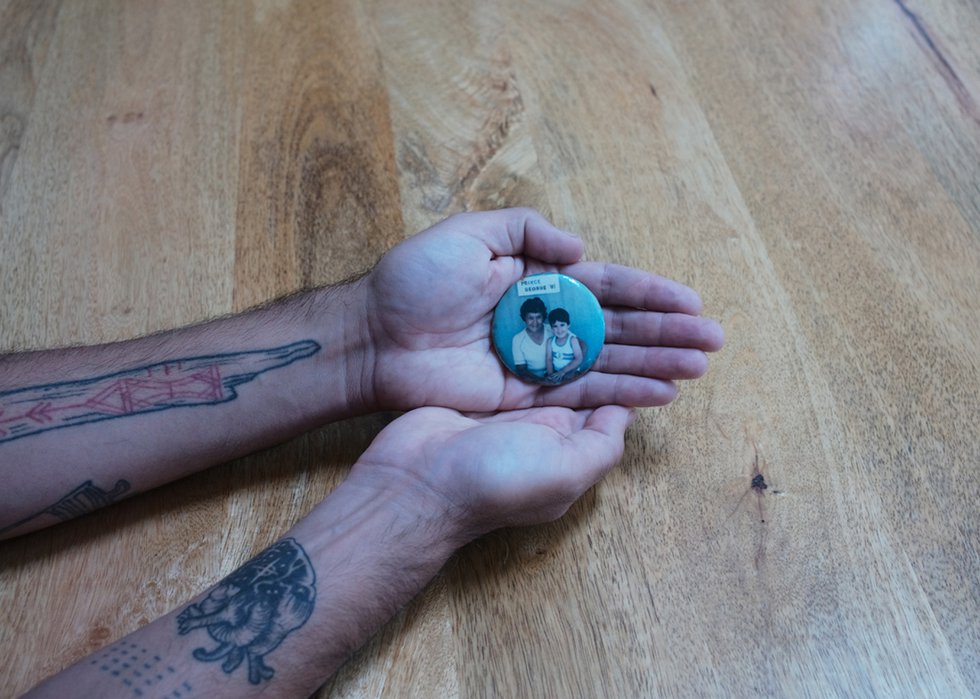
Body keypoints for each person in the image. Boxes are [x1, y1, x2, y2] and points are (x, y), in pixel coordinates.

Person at [1, 208, 724, 697]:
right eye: (532, 316)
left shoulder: (554, 340)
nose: (537, 322)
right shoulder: (536, 340)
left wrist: (364, 337)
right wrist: (420, 507)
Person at [511, 296, 550, 380]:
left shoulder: (553, 330)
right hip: (532, 379)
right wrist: (542, 381)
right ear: (524, 318)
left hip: (556, 375)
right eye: (531, 318)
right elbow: (521, 370)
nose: (535, 322)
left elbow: (582, 346)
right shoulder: (518, 339)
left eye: (538, 317)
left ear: (543, 317)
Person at [545, 307, 585, 383]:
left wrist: (563, 371)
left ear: (568, 325)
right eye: (555, 326)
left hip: (571, 371)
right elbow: (549, 359)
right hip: (557, 372)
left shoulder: (572, 340)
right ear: (551, 328)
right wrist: (550, 375)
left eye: (562, 325)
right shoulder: (550, 341)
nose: (559, 330)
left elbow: (579, 358)